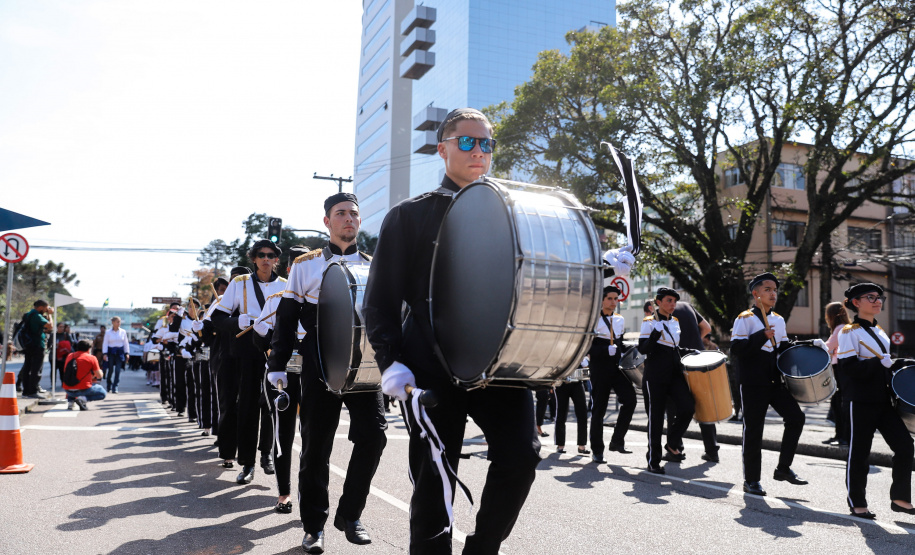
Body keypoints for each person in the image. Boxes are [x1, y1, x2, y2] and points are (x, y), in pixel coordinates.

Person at [363, 107, 635, 554]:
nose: (478, 151)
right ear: (442, 148)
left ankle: (483, 547)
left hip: (499, 363)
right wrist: (391, 362)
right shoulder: (409, 216)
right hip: (431, 365)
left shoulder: (514, 212)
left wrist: (601, 269)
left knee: (522, 456)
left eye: (486, 143)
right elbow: (381, 300)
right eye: (467, 142)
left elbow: (547, 274)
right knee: (435, 478)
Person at [268, 193, 386, 553]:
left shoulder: (373, 265)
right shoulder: (305, 265)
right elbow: (286, 319)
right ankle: (314, 526)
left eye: (353, 213)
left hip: (363, 364)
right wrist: (277, 365)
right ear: (327, 222)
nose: (348, 219)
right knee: (316, 447)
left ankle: (350, 514)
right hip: (319, 360)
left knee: (374, 436)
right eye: (341, 214)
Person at [837, 282, 915, 519]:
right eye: (870, 297)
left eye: (879, 297)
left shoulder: (881, 332)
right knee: (859, 453)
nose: (877, 300)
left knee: (905, 446)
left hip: (883, 401)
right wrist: (876, 363)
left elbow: (886, 364)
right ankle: (857, 503)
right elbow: (848, 368)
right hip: (859, 400)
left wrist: (901, 364)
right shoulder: (848, 332)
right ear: (856, 303)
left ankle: (900, 499)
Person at [211, 241, 286, 485]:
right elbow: (217, 317)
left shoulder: (286, 286)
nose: (266, 259)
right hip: (246, 354)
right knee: (247, 408)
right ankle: (247, 462)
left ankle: (267, 454)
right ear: (253, 258)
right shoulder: (239, 283)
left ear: (277, 259)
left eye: (271, 255)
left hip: (276, 354)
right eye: (261, 255)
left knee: (273, 407)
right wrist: (237, 321)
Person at [730, 272, 809, 496]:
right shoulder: (745, 318)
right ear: (756, 294)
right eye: (767, 290)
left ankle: (783, 468)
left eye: (775, 290)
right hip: (753, 382)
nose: (773, 293)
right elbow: (736, 350)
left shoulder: (779, 319)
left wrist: (806, 346)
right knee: (753, 431)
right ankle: (752, 480)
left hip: (774, 381)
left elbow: (782, 348)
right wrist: (760, 337)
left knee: (796, 418)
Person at [254, 246, 309, 515]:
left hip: (313, 374)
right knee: (282, 434)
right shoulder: (277, 298)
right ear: (290, 270)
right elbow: (258, 333)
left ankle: (309, 497)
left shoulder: (326, 297)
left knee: (313, 438)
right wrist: (274, 351)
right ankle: (284, 493)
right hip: (281, 376)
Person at [639, 287, 694, 474]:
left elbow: (674, 348)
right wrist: (655, 333)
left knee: (688, 407)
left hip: (674, 374)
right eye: (668, 301)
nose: (672, 305)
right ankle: (653, 461)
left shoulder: (676, 321)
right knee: (655, 418)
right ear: (659, 302)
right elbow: (643, 349)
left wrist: (689, 351)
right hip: (655, 375)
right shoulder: (649, 321)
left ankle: (672, 442)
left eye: (674, 301)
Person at [205, 269, 249, 470]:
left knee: (248, 407)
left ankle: (249, 451)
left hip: (250, 358)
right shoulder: (221, 302)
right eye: (234, 280)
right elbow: (207, 334)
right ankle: (228, 452)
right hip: (226, 358)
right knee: (228, 405)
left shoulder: (257, 298)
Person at [670, 300, 722, 463]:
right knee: (704, 402)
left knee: (673, 405)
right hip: (699, 358)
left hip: (679, 360)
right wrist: (695, 343)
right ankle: (712, 450)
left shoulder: (662, 310)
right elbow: (707, 328)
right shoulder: (687, 306)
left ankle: (676, 449)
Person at [589, 285, 636, 462]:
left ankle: (617, 440)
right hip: (599, 368)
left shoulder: (619, 319)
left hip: (616, 368)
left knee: (630, 400)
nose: (614, 302)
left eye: (616, 299)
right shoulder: (592, 319)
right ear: (601, 300)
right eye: (610, 298)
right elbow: (586, 347)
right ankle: (597, 450)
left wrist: (630, 350)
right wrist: (603, 350)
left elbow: (620, 343)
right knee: (598, 410)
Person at [822, 301, 852, 446]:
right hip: (841, 368)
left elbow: (828, 346)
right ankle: (840, 435)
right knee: (837, 403)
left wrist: (814, 344)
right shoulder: (845, 327)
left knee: (838, 404)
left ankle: (843, 437)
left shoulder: (840, 328)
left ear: (831, 316)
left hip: (839, 368)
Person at [19, 300, 54, 399]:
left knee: (27, 368)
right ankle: (32, 391)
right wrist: (50, 315)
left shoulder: (28, 314)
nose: (47, 309)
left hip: (28, 344)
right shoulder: (37, 316)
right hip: (37, 345)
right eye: (46, 308)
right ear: (41, 307)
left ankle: (26, 391)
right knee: (36, 369)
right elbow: (50, 326)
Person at [62, 339, 106, 410]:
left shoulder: (70, 356)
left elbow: (66, 371)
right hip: (83, 389)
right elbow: (99, 376)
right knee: (102, 393)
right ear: (89, 349)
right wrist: (100, 372)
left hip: (68, 389)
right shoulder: (91, 358)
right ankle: (83, 399)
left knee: (73, 381)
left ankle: (70, 402)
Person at [102, 316, 130, 393]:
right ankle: (109, 386)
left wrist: (127, 353)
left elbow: (126, 343)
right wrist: (104, 353)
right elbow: (105, 343)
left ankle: (115, 386)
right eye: (117, 322)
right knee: (110, 370)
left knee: (118, 370)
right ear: (113, 322)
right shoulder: (108, 332)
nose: (119, 323)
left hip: (119, 353)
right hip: (111, 353)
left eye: (119, 322)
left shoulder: (123, 331)